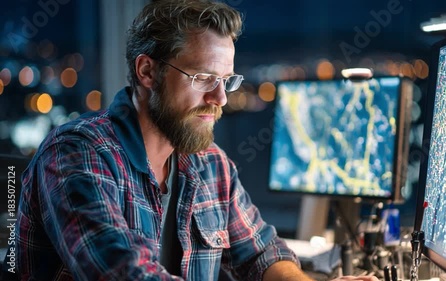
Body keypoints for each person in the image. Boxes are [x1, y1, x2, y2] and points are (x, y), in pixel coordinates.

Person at [9, 0, 380, 280]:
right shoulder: (77, 153)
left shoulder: (210, 163)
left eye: (227, 81)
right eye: (203, 77)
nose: (220, 99)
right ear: (148, 72)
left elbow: (261, 254)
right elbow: (124, 273)